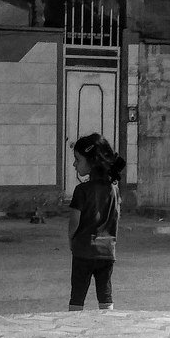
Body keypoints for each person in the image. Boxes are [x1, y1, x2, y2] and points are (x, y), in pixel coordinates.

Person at [67, 133, 126, 311]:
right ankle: (107, 327)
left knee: (77, 296)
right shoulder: (114, 189)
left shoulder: (81, 191)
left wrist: (71, 240)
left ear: (92, 162)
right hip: (107, 250)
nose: (74, 164)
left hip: (83, 251)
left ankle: (73, 327)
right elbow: (116, 218)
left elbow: (74, 222)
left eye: (78, 160)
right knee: (105, 295)